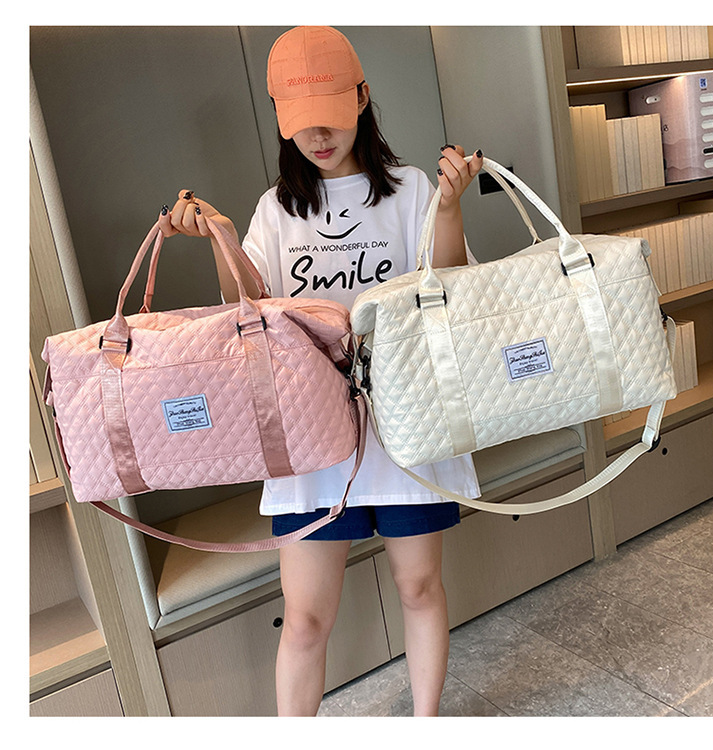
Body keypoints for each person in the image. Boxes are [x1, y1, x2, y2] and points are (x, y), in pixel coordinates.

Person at [159, 25, 483, 717]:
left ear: (362, 98)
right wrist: (221, 236)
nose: (319, 135)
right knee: (304, 619)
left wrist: (450, 207)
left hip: (405, 420)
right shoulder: (274, 210)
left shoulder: (411, 191)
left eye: (331, 114)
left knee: (419, 588)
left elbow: (448, 288)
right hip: (310, 433)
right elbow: (248, 310)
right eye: (301, 121)